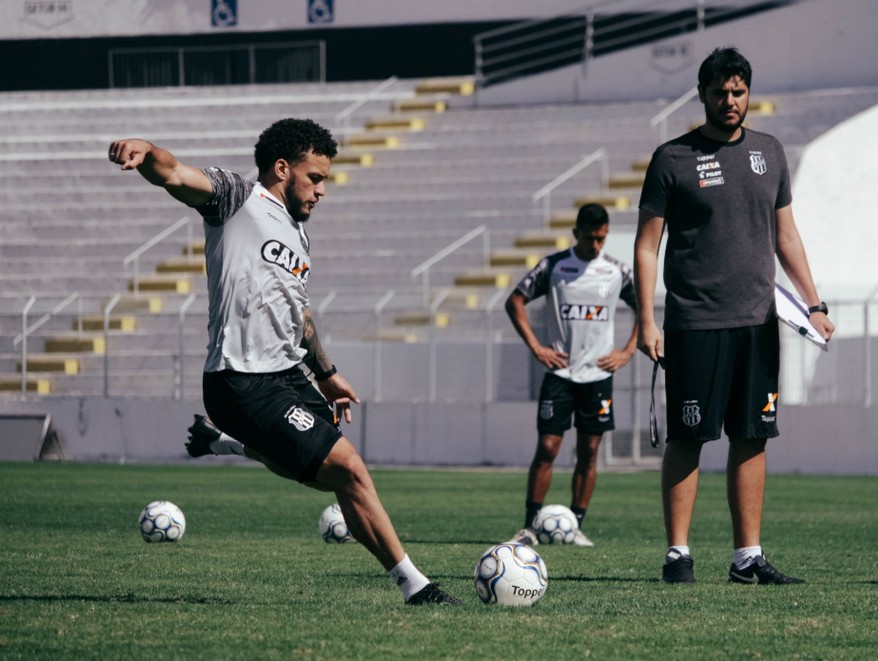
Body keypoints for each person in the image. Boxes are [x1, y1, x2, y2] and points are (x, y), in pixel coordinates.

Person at [108, 118, 460, 605]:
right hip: (240, 379)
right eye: (315, 178)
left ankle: (222, 443)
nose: (322, 191)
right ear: (282, 168)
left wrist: (328, 374)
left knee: (324, 477)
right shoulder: (236, 199)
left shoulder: (298, 235)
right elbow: (174, 174)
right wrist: (146, 151)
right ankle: (417, 588)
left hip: (289, 375)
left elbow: (301, 313)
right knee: (350, 469)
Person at [633, 47, 835, 584]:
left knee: (753, 435)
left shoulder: (770, 151)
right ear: (702, 94)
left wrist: (812, 302)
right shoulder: (672, 158)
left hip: (758, 321)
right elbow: (648, 246)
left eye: (738, 91)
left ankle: (747, 558)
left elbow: (786, 235)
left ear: (749, 93)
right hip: (694, 323)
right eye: (720, 91)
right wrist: (647, 322)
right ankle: (678, 554)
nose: (730, 100)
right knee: (689, 436)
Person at [506, 203, 638, 547]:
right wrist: (537, 347)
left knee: (589, 452)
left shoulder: (616, 272)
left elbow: (644, 309)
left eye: (602, 239)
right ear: (576, 233)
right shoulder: (554, 266)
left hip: (598, 375)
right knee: (548, 448)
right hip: (560, 372)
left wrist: (626, 351)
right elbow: (515, 301)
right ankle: (529, 527)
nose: (596, 245)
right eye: (591, 238)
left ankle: (575, 524)